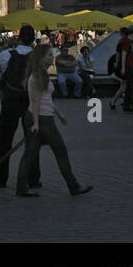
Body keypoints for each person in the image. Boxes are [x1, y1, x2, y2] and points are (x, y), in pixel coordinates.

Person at [15, 45, 93, 198]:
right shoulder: (37, 76)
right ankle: (74, 186)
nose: (52, 57)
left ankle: (21, 187)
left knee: (30, 154)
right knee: (60, 151)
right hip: (42, 118)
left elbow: (46, 100)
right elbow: (35, 101)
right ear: (41, 58)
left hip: (41, 116)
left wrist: (59, 114)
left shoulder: (41, 74)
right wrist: (36, 123)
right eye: (49, 55)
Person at [0, 24, 38, 189]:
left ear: (19, 37)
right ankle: (34, 178)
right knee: (32, 140)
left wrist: (5, 45)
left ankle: (1, 178)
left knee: (4, 140)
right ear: (33, 39)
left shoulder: (7, 54)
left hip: (10, 100)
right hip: (30, 102)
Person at [109, 27, 133, 111]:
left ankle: (117, 101)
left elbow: (118, 54)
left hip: (122, 64)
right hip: (123, 65)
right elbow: (119, 54)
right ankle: (114, 101)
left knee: (125, 85)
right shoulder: (125, 41)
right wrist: (119, 65)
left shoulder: (123, 41)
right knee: (124, 85)